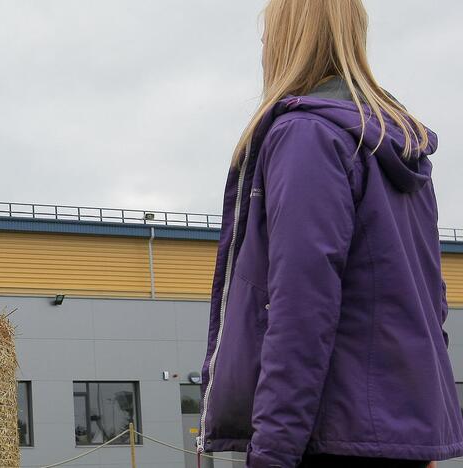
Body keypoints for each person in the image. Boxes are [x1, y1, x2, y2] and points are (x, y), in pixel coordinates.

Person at [196, 1, 463, 467]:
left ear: (287, 38)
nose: (262, 45)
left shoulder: (307, 135)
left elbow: (300, 310)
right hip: (399, 438)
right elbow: (431, 301)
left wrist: (273, 455)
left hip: (328, 439)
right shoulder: (398, 148)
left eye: (268, 32)